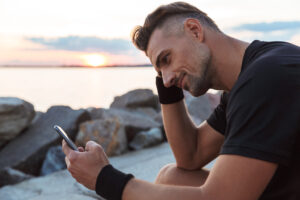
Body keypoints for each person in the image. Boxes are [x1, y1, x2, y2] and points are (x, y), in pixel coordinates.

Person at [62, 2, 300, 200]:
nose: (166, 79)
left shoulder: (268, 77)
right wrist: (168, 86)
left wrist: (105, 180)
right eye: (158, 71)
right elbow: (190, 156)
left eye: (166, 59)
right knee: (173, 177)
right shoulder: (250, 77)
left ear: (195, 31)